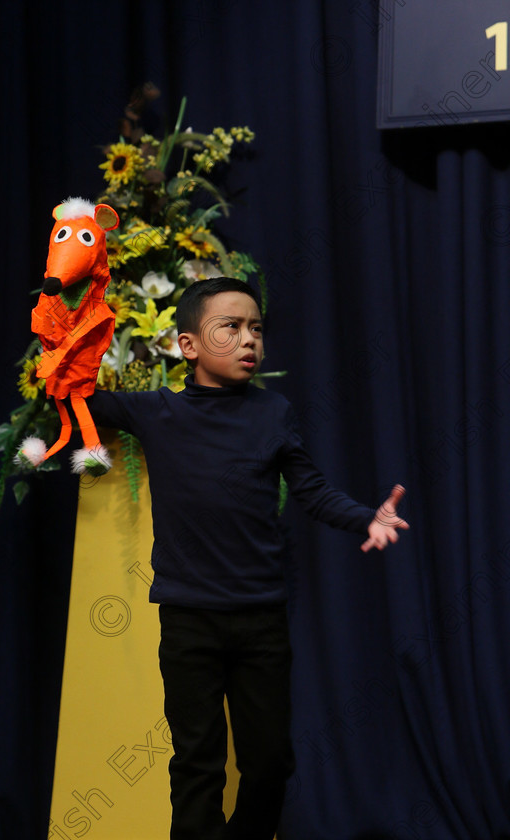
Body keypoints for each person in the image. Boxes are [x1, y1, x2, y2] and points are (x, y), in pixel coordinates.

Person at [86, 276, 409, 840]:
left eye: (256, 329)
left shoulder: (273, 412)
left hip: (260, 620)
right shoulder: (155, 412)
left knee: (268, 763)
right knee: (197, 764)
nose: (249, 340)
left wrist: (366, 517)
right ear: (187, 346)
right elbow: (72, 395)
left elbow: (311, 490)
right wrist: (62, 334)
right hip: (189, 620)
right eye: (230, 327)